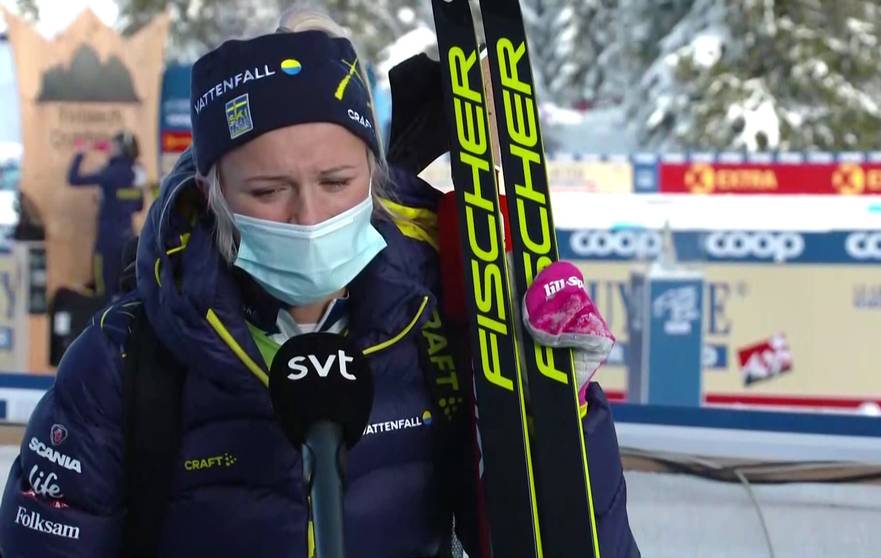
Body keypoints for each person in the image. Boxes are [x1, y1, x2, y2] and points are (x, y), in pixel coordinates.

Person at [0, 9, 639, 558]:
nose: (309, 217)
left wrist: (561, 415)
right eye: (267, 191)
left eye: (336, 183)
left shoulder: (437, 327)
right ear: (212, 194)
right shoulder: (124, 363)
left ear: (375, 178)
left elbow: (554, 541)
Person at [66, 130, 145, 300]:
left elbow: (73, 178)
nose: (109, 148)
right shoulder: (138, 172)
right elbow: (139, 206)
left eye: (113, 145)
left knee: (104, 293)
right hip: (128, 240)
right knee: (125, 292)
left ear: (120, 148)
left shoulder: (109, 173)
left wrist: (80, 153)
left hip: (107, 242)